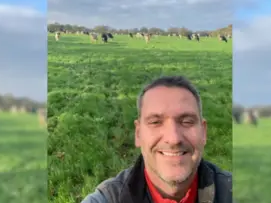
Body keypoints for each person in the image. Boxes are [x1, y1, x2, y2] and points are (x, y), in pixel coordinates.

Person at [81, 75, 232, 203]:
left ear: (203, 132)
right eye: (155, 122)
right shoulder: (108, 199)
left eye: (186, 122)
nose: (173, 139)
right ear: (138, 134)